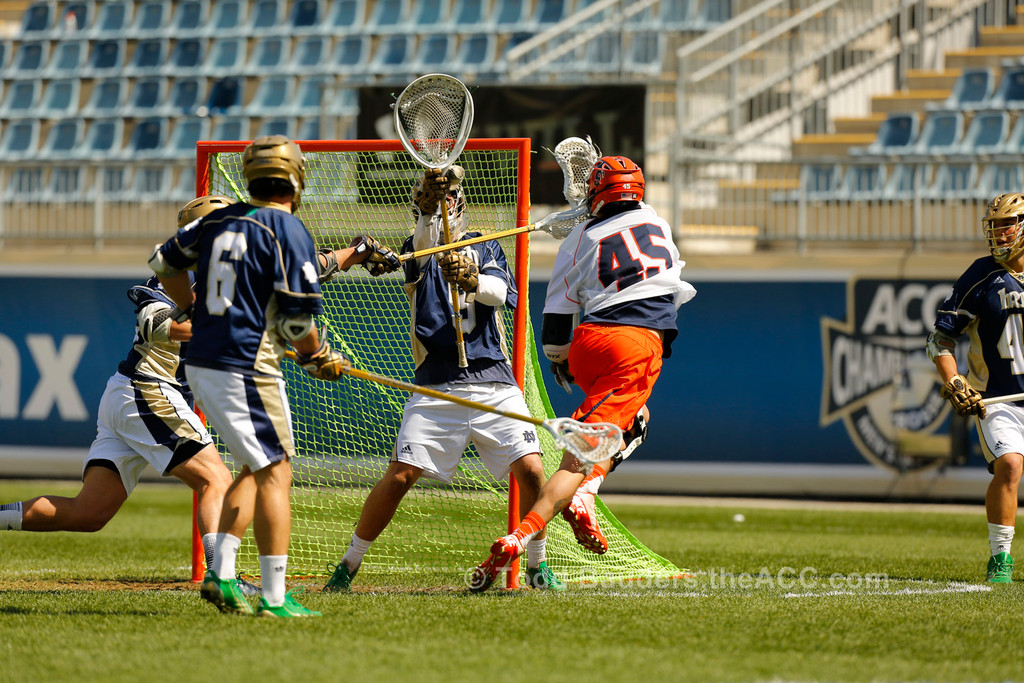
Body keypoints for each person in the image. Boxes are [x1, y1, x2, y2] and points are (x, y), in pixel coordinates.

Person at [148, 135, 400, 617]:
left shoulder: (217, 220)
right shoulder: (287, 228)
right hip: (245, 366)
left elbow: (163, 263)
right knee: (277, 471)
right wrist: (317, 355)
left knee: (255, 466)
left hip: (207, 363)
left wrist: (192, 306)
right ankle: (274, 597)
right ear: (295, 179)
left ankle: (222, 576)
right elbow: (297, 322)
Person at [323, 165, 565, 592]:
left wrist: (471, 277)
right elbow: (423, 242)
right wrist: (427, 212)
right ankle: (348, 564)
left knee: (531, 469)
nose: (442, 204)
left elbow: (500, 294)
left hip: (493, 380)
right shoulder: (414, 249)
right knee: (400, 476)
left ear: (461, 203)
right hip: (436, 384)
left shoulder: (487, 245)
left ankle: (537, 566)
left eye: (447, 197)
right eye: (434, 199)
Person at [470, 155, 696, 591]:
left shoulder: (579, 238)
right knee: (578, 460)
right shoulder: (659, 222)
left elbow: (556, 322)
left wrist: (560, 360)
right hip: (634, 345)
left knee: (636, 421)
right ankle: (523, 535)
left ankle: (586, 494)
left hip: (588, 344)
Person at [0, 196, 239, 587]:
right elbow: (156, 325)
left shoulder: (230, 276)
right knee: (216, 479)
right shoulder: (172, 276)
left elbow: (301, 267)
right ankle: (222, 578)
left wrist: (348, 255)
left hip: (130, 395)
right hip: (148, 391)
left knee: (89, 513)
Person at [927, 192, 1024, 584]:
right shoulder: (981, 275)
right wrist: (953, 379)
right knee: (1010, 465)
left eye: (1007, 224)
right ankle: (1001, 559)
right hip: (998, 399)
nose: (999, 233)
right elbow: (940, 338)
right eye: (995, 226)